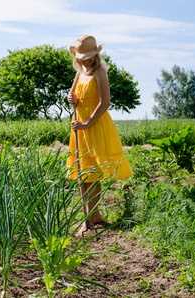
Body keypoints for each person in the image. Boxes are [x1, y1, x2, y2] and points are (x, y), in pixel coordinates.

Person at [66, 35, 133, 235]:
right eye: (83, 57)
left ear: (96, 55)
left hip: (94, 125)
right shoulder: (79, 72)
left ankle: (87, 221)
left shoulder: (100, 72)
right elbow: (74, 96)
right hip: (79, 126)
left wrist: (87, 123)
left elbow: (105, 103)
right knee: (82, 174)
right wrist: (71, 99)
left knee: (92, 174)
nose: (87, 60)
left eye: (90, 56)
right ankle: (95, 216)